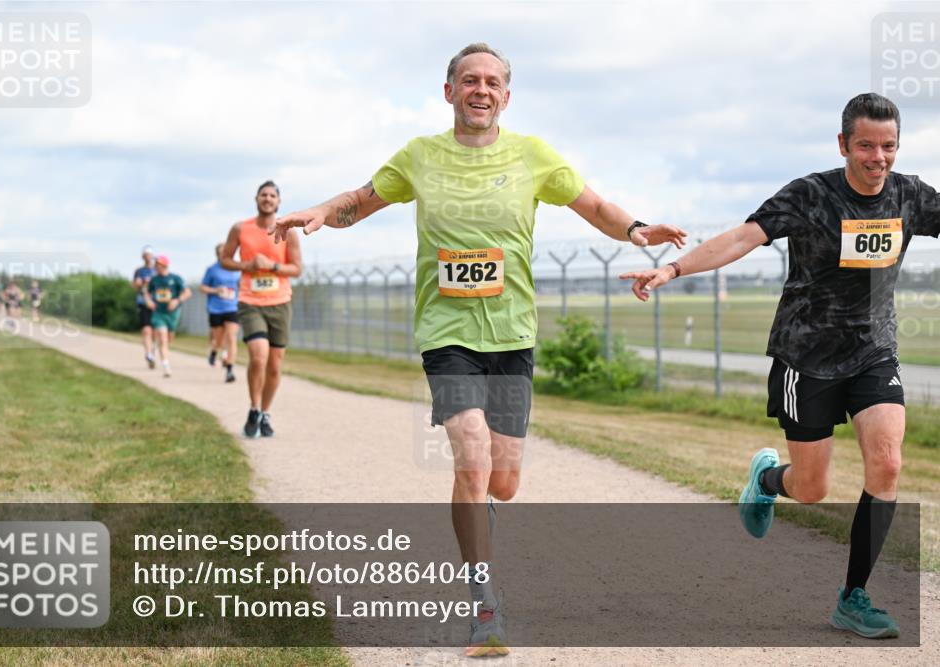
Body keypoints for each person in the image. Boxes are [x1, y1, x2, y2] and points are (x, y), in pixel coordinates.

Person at [274, 43, 687, 656]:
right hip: (446, 332)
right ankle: (484, 605)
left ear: (506, 97)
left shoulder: (533, 155)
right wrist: (320, 211)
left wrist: (633, 230)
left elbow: (593, 204)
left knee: (504, 480)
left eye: (492, 82)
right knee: (470, 458)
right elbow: (359, 202)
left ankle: (483, 551)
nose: (481, 90)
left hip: (513, 333)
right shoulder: (419, 156)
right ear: (450, 92)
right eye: (470, 80)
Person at [620, 93, 939, 639]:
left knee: (886, 463)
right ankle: (768, 479)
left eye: (888, 146)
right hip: (806, 357)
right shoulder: (811, 194)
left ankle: (853, 597)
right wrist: (673, 269)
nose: (877, 157)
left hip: (873, 353)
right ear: (843, 144)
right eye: (865, 145)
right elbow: (744, 237)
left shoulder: (910, 195)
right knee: (811, 489)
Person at [220, 181, 302, 438]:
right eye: (263, 195)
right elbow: (224, 259)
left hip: (280, 302)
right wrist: (248, 264)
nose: (267, 199)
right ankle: (254, 407)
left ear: (278, 202)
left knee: (275, 366)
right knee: (258, 356)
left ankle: (264, 412)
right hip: (250, 300)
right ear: (256, 199)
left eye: (272, 195)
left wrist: (273, 267)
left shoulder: (288, 231)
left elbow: (297, 269)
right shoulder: (240, 228)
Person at [143, 255, 191, 378]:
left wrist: (177, 301)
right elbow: (147, 292)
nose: (155, 266)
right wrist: (148, 301)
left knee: (168, 339)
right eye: (155, 264)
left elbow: (187, 292)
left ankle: (156, 349)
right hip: (159, 313)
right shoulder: (154, 280)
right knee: (163, 338)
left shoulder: (175, 279)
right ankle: (166, 366)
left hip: (172, 314)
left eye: (157, 264)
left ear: (164, 265)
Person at [200, 242, 241, 383]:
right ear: (217, 254)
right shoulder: (212, 270)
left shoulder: (237, 269)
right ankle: (213, 351)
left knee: (231, 338)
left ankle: (230, 370)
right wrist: (215, 290)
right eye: (221, 252)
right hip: (216, 308)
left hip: (233, 307)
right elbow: (202, 288)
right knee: (219, 340)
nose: (224, 254)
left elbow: (242, 286)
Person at [132, 246, 157, 368]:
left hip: (157, 304)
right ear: (143, 257)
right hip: (143, 302)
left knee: (156, 332)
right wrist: (141, 283)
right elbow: (135, 286)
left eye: (149, 254)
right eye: (146, 255)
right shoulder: (139, 271)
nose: (148, 257)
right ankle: (148, 354)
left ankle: (153, 350)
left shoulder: (157, 270)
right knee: (146, 330)